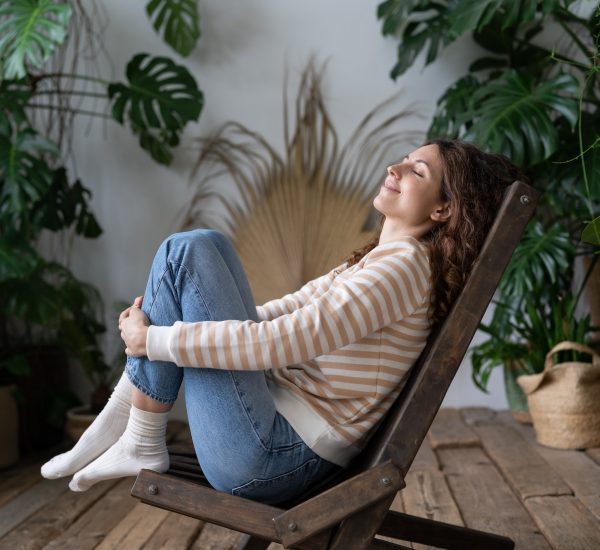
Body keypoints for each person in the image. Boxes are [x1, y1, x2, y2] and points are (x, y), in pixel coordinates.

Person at [41, 139, 523, 505]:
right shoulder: (385, 261)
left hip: (269, 458)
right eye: (404, 159)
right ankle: (133, 423)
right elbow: (283, 311)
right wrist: (153, 339)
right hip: (270, 444)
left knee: (188, 250)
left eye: (417, 171)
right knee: (199, 247)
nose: (395, 169)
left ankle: (136, 428)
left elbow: (284, 341)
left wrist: (153, 340)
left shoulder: (401, 269)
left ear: (443, 209)